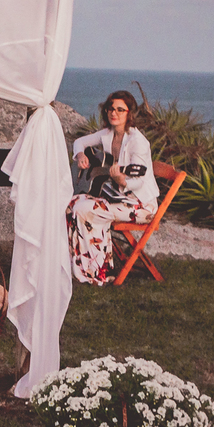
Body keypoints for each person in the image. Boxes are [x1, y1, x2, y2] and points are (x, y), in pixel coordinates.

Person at [66, 90, 160, 285]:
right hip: (119, 198)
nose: (113, 113)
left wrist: (121, 179)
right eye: (110, 108)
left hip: (141, 205)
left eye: (120, 109)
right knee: (70, 204)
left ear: (129, 113)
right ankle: (80, 265)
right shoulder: (109, 134)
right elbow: (80, 142)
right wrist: (80, 156)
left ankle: (97, 271)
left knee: (84, 209)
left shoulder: (137, 142)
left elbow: (139, 182)